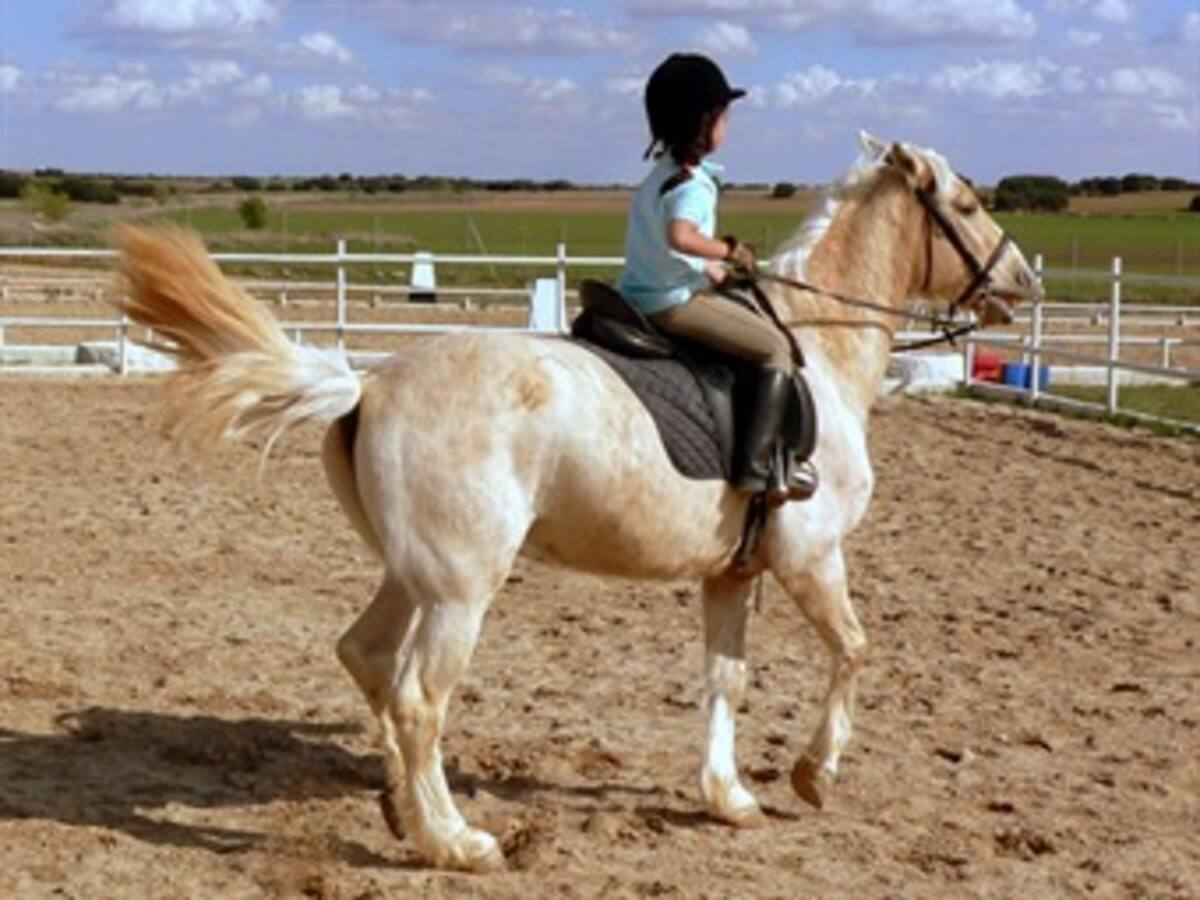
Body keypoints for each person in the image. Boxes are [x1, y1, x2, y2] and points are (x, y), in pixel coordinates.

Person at [618, 53, 815, 498]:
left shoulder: (660, 176)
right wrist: (730, 250)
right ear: (703, 121)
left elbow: (670, 249)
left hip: (636, 293)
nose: (728, 124)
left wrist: (714, 271)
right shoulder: (692, 185)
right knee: (775, 350)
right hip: (669, 304)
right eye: (724, 115)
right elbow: (680, 236)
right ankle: (755, 466)